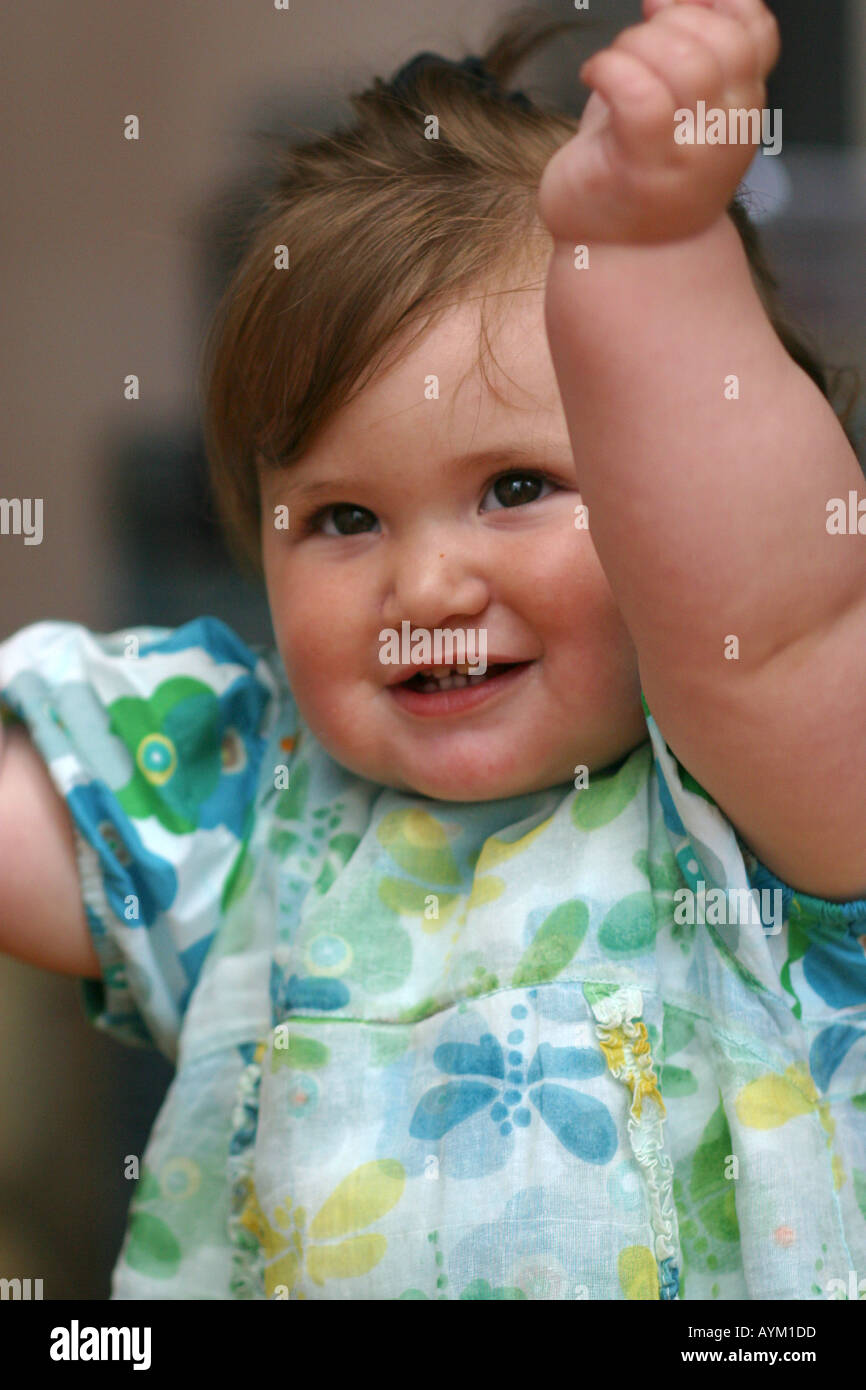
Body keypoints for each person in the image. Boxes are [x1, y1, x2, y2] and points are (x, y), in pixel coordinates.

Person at [1, 0, 865, 1301]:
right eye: (342, 517)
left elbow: (768, 617)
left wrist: (657, 251)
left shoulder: (759, 817)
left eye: (516, 486)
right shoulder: (252, 800)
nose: (423, 580)